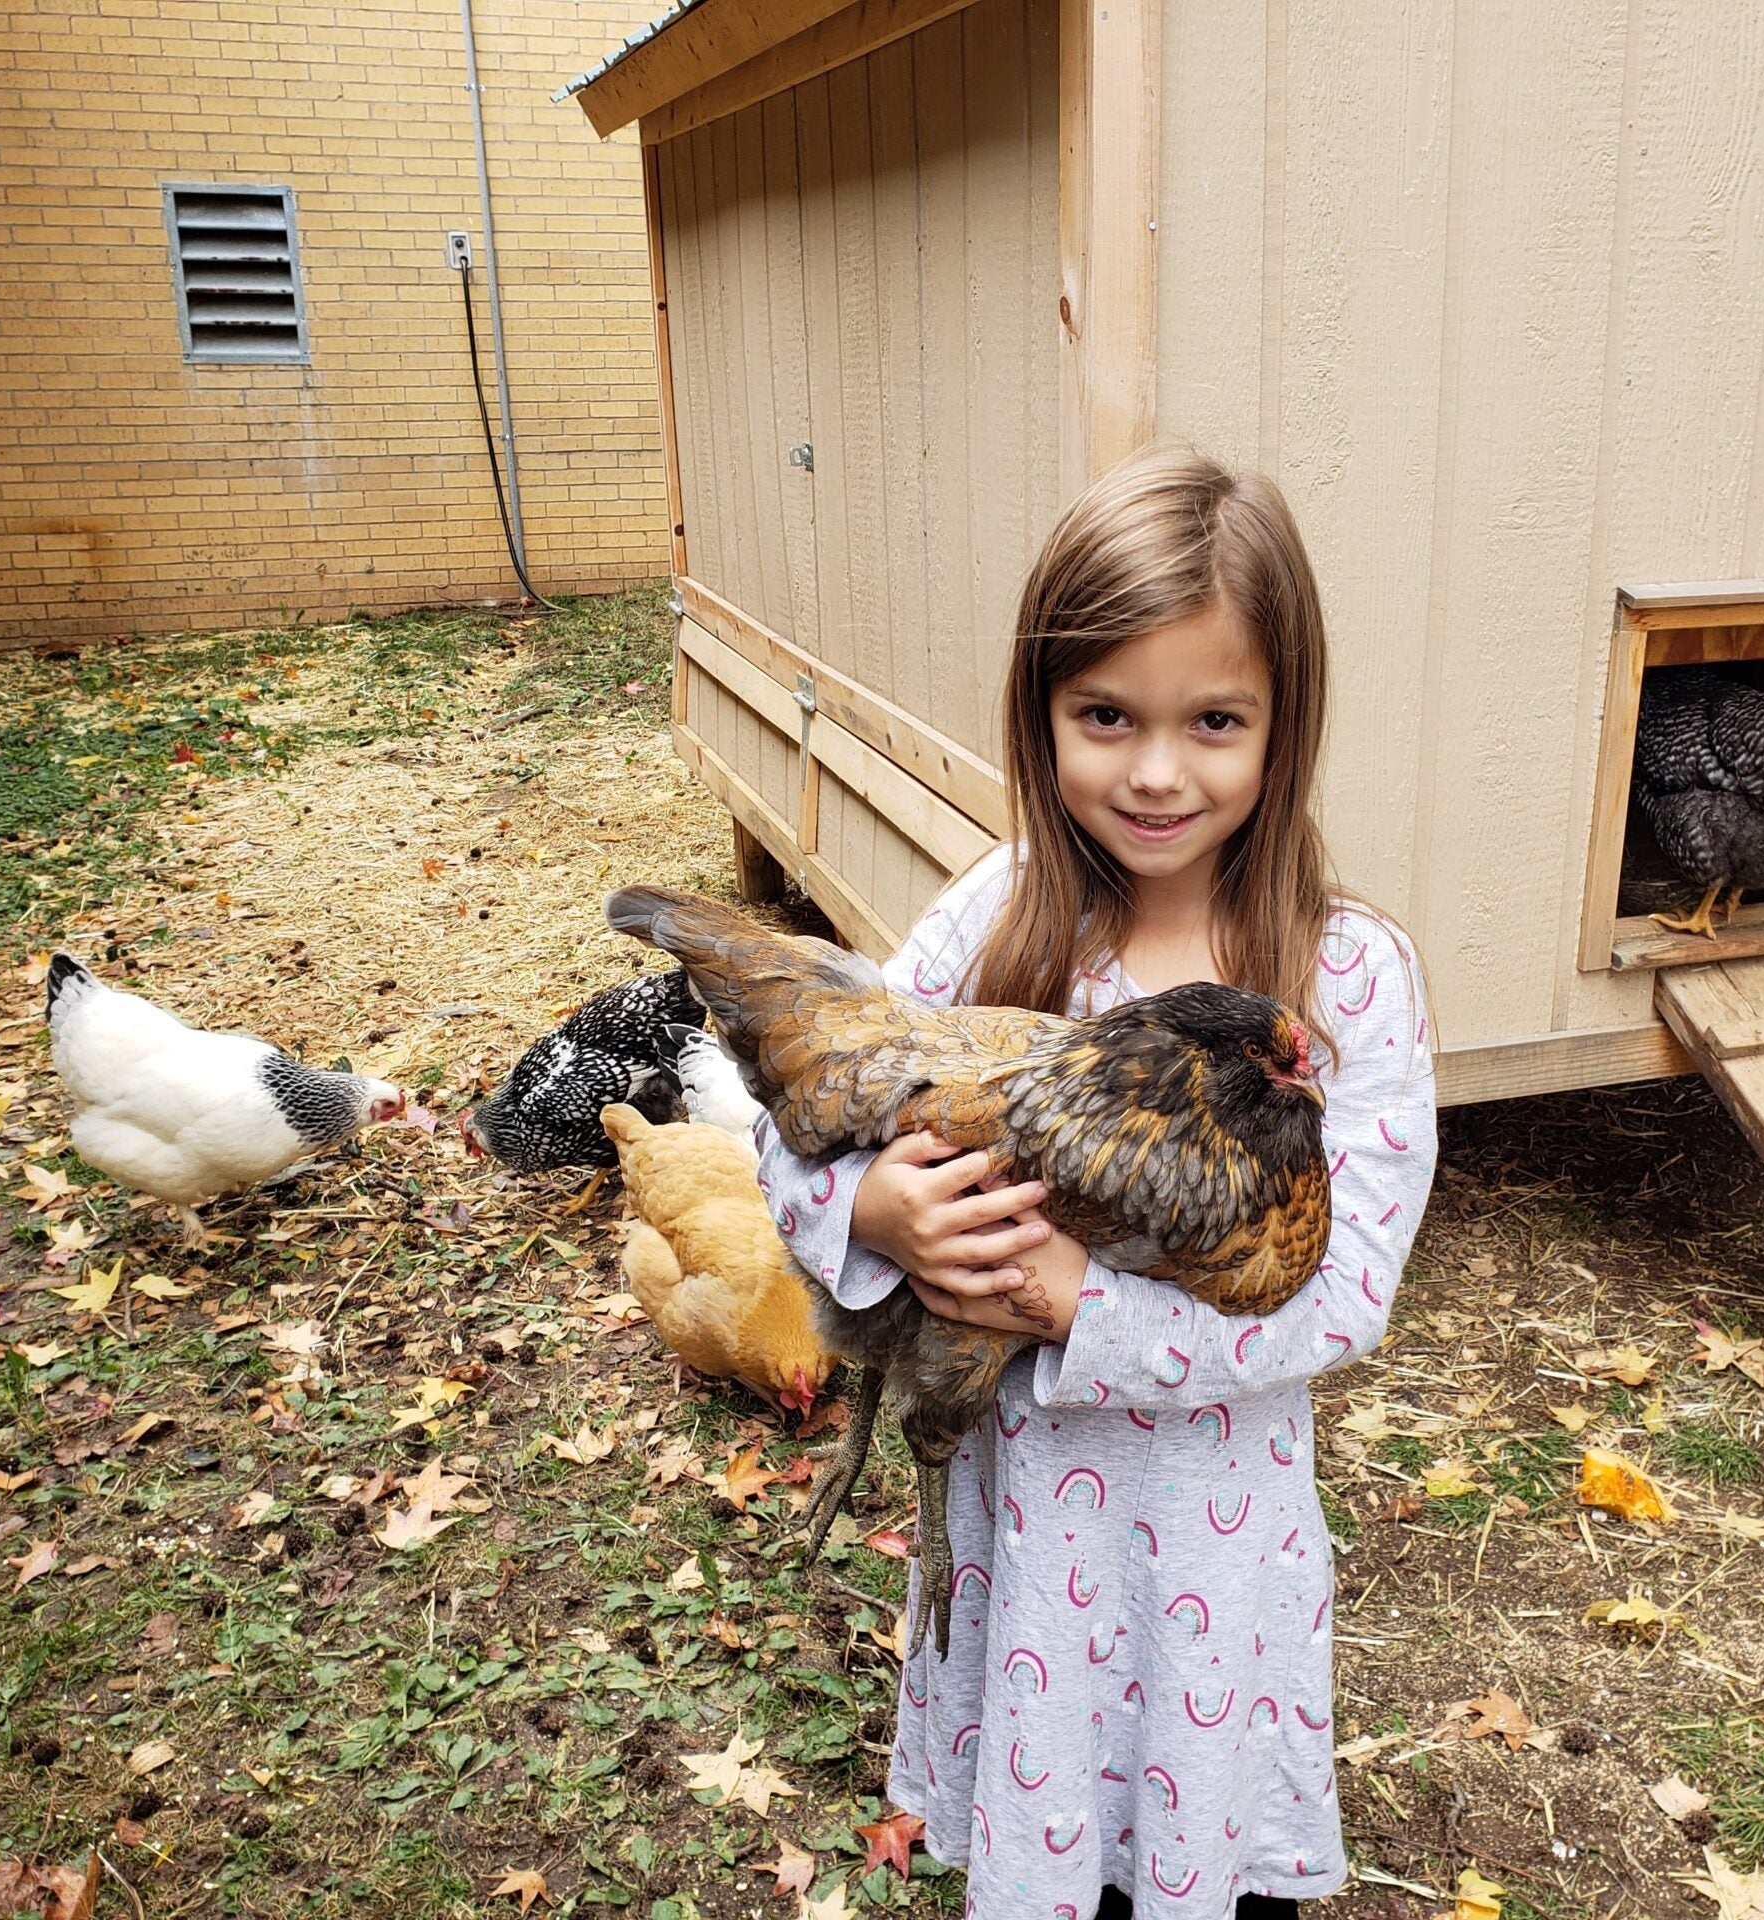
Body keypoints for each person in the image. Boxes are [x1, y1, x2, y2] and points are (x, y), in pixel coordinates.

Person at [755, 447, 1436, 1920]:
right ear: (1041, 716)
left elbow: (1351, 1294)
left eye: (1215, 720)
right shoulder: (1003, 916)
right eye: (1105, 715)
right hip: (1031, 1540)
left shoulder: (1348, 980)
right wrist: (870, 1216)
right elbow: (808, 1111)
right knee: (1051, 1848)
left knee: (1204, 1862)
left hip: (1216, 1536)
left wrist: (1076, 1306)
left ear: (1284, 726)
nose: (1155, 769)